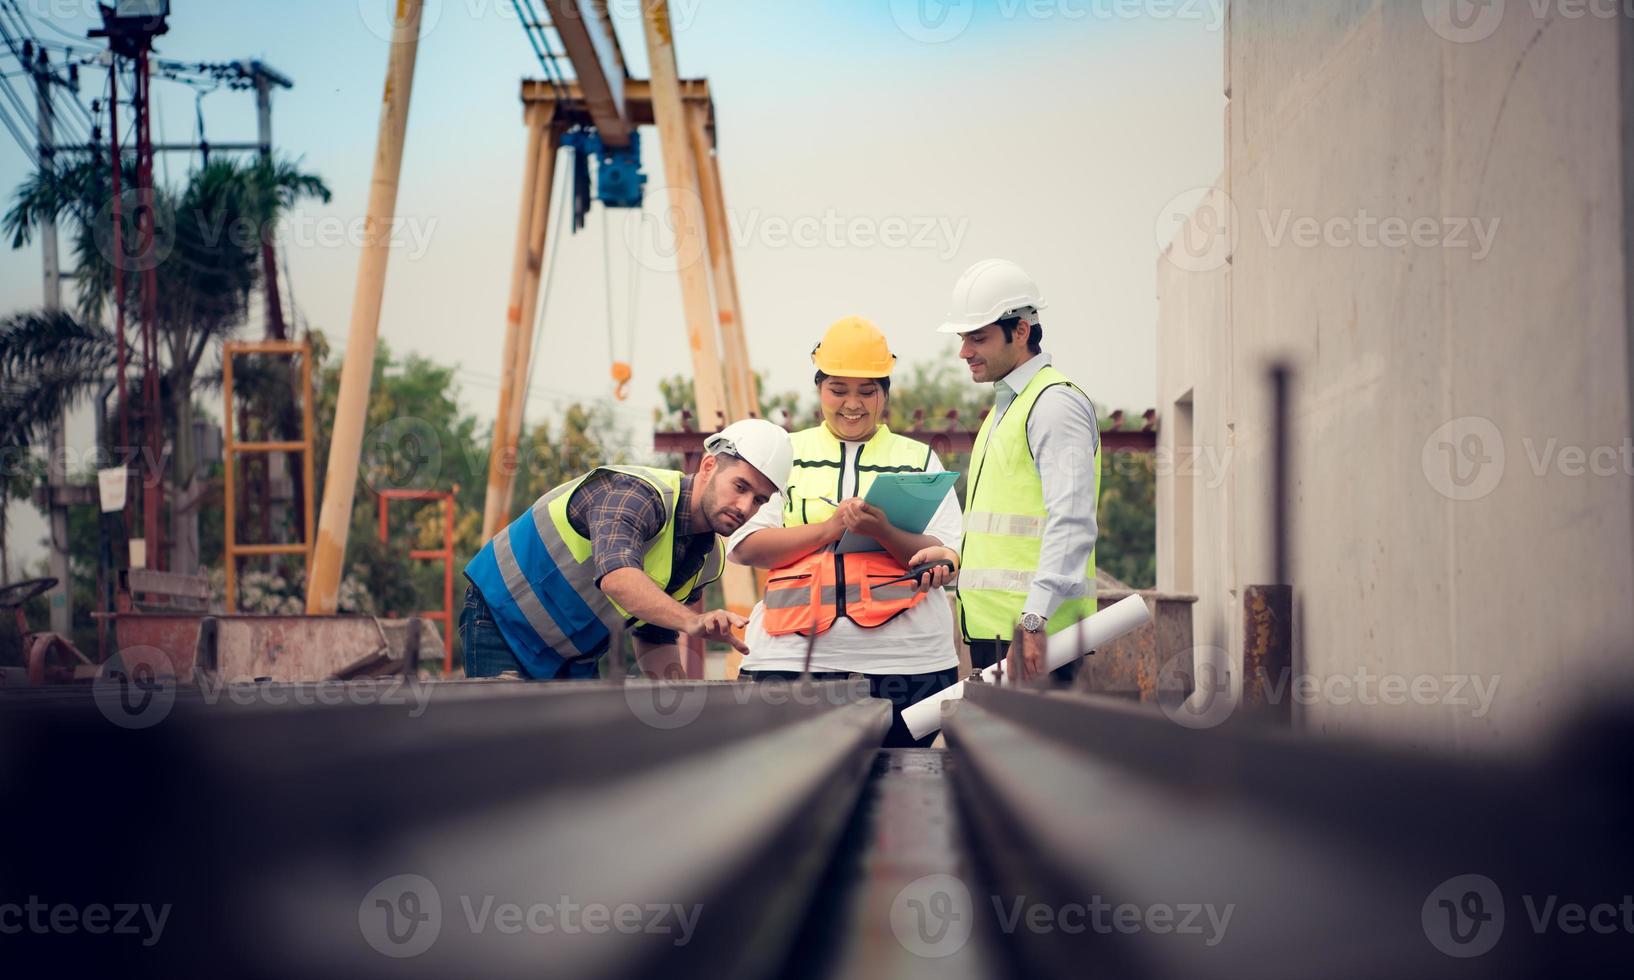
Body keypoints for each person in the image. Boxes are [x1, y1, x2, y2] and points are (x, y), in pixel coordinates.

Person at [729, 316, 962, 747]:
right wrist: (829, 528)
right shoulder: (786, 453)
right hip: (790, 660)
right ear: (819, 389)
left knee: (901, 792)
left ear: (885, 394)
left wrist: (886, 531)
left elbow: (947, 552)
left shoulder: (919, 458)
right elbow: (746, 545)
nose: (852, 403)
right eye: (838, 389)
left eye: (867, 390)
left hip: (909, 665)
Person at [461, 418, 792, 680]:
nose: (746, 506)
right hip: (502, 621)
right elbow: (618, 578)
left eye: (759, 500)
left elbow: (655, 636)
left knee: (577, 760)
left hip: (573, 654)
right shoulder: (636, 495)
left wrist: (683, 708)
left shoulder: (708, 559)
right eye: (740, 486)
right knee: (508, 750)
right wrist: (693, 620)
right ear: (708, 467)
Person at [937, 259, 1101, 683]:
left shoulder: (1053, 405)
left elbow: (1073, 521)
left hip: (1036, 639)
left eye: (978, 337)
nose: (964, 352)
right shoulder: (1005, 410)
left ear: (1022, 330)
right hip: (998, 636)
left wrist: (1033, 620)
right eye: (962, 338)